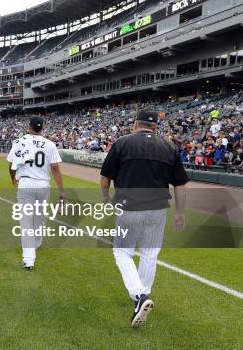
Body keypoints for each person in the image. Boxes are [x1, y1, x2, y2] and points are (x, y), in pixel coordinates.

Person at [100, 110, 189, 328]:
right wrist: (180, 212)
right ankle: (143, 296)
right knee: (150, 253)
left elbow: (105, 177)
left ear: (135, 124)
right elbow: (180, 184)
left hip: (130, 206)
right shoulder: (169, 147)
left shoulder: (122, 143)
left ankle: (139, 296)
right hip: (158, 208)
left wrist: (105, 197)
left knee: (122, 251)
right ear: (155, 127)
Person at [7, 116, 65, 271]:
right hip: (43, 184)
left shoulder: (19, 142)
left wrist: (13, 179)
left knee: (26, 221)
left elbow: (12, 166)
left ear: (29, 126)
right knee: (39, 218)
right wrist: (61, 190)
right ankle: (36, 244)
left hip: (25, 183)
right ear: (42, 128)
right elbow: (55, 169)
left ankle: (28, 259)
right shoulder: (50, 144)